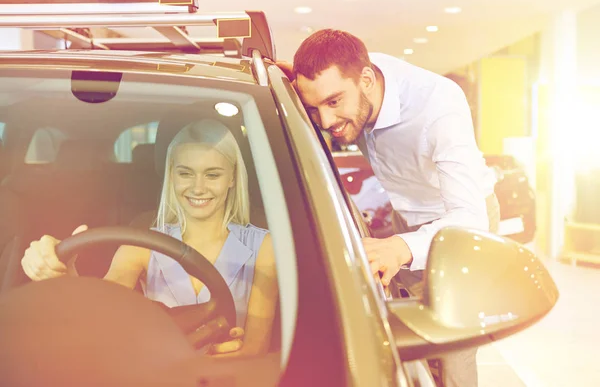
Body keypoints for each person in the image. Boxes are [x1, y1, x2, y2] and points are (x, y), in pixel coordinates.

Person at [279, 29, 499, 387]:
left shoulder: (438, 106)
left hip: (460, 221)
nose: (326, 121)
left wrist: (400, 247)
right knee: (416, 336)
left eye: (334, 102)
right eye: (315, 107)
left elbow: (470, 217)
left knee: (452, 345)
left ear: (366, 80)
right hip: (406, 216)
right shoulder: (352, 78)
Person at [20, 119, 279, 357]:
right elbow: (100, 313)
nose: (198, 187)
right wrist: (65, 275)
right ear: (171, 175)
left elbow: (255, 349)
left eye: (212, 174)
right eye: (185, 173)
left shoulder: (264, 247)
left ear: (232, 177)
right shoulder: (140, 245)